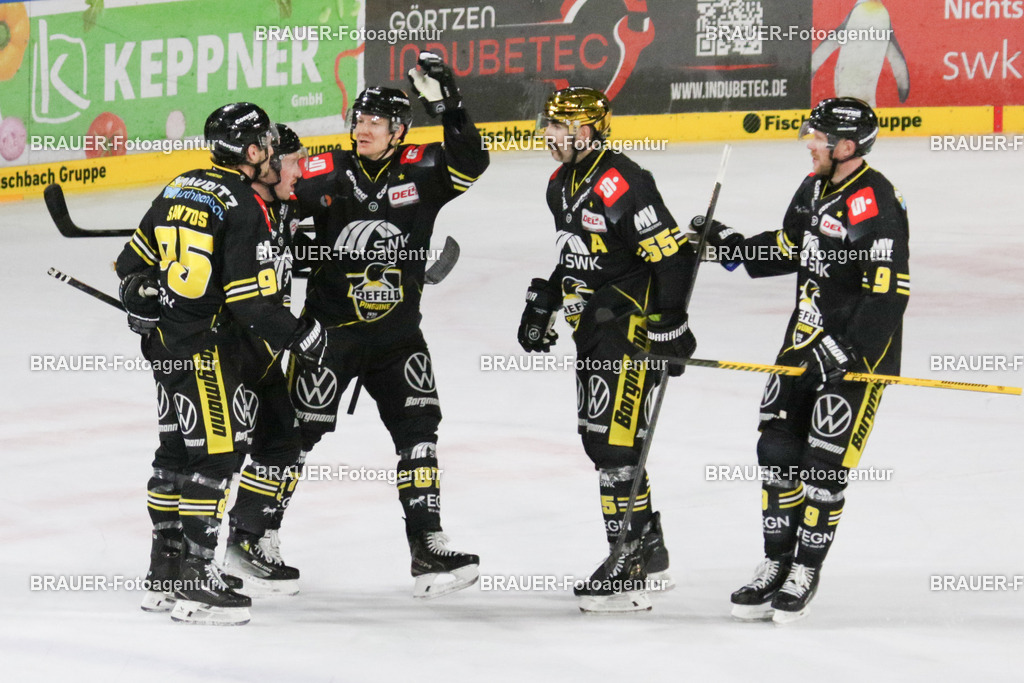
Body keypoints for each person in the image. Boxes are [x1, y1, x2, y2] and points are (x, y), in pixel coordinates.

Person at [692, 97, 909, 623]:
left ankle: (805, 569)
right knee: (775, 450)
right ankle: (776, 562)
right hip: (800, 344)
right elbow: (789, 248)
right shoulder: (813, 189)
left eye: (817, 137)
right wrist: (730, 247)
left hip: (857, 358)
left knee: (823, 466)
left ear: (847, 146)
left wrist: (843, 352)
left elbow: (888, 295)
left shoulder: (876, 202)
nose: (808, 144)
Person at [115, 104, 328, 625]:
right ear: (253, 152)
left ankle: (164, 573)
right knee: (216, 457)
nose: (276, 156)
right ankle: (195, 580)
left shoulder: (180, 185)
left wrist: (142, 295)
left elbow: (129, 265)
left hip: (165, 344)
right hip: (205, 350)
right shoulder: (241, 204)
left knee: (174, 453)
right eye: (270, 148)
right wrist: (304, 336)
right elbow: (249, 304)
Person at [289, 52, 489, 599]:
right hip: (329, 334)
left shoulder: (424, 169)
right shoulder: (326, 169)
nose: (363, 128)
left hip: (398, 337)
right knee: (295, 434)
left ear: (400, 130)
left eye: (375, 122)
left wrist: (449, 106)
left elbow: (473, 162)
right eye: (358, 119)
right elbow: (272, 206)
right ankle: (252, 537)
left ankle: (426, 545)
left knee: (419, 432)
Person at [518, 86, 698, 613]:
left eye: (558, 126)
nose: (548, 135)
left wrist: (669, 326)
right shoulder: (561, 184)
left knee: (614, 447)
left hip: (628, 328)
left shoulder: (624, 182)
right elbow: (580, 256)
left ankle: (628, 560)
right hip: (592, 329)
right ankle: (648, 546)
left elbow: (672, 258)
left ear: (587, 131)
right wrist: (546, 299)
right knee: (602, 441)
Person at [223, 124, 312, 596]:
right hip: (226, 349)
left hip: (258, 346)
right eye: (292, 161)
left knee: (280, 440)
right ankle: (182, 560)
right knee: (216, 455)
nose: (299, 170)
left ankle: (244, 540)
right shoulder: (238, 209)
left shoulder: (280, 208)